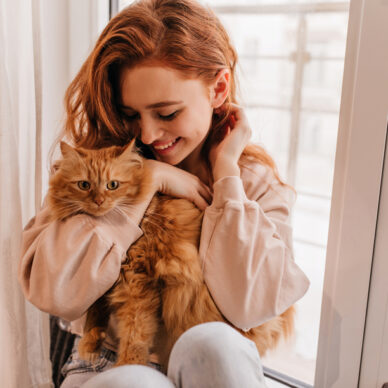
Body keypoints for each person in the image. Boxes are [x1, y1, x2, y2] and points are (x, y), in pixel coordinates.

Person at [18, 0, 310, 387]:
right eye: (130, 115)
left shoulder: (253, 182)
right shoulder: (93, 168)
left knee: (216, 344)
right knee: (131, 382)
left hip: (210, 365)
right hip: (107, 362)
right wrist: (145, 183)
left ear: (219, 88)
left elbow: (250, 307)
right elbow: (52, 290)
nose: (148, 135)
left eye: (168, 113)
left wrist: (225, 178)